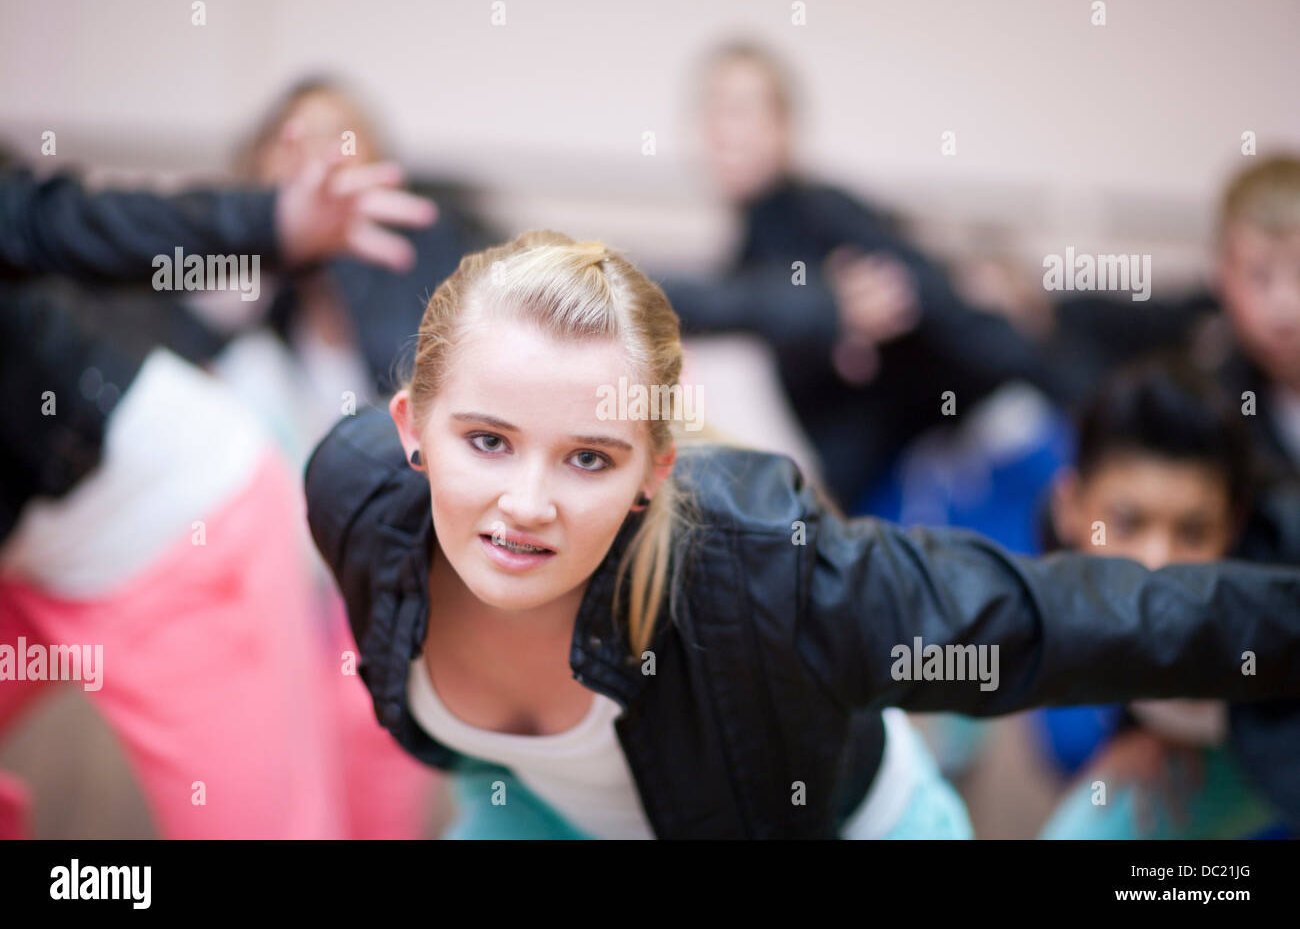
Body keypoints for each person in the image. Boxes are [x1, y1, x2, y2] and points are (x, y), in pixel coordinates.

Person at [304, 230, 1300, 839]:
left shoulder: (762, 573)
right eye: (486, 439)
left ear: (657, 469)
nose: (526, 503)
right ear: (408, 431)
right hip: (551, 816)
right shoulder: (352, 494)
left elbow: (1049, 615)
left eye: (589, 458)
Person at [0, 153, 437, 838]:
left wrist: (268, 222)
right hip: (28, 542)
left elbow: (54, 218)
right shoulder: (239, 343)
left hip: (175, 531)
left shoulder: (376, 322)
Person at [657, 41, 1074, 513]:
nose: (723, 129)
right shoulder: (756, 253)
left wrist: (1055, 375)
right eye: (712, 109)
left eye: (741, 110)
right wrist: (822, 309)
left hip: (994, 457)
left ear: (784, 129)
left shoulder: (824, 216)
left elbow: (942, 309)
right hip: (905, 482)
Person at [1035, 356, 1293, 838]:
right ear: (1068, 508)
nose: (1156, 565)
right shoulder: (1045, 573)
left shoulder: (1278, 584)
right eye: (1128, 523)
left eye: (1193, 532)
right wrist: (1138, 728)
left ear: (1234, 527)